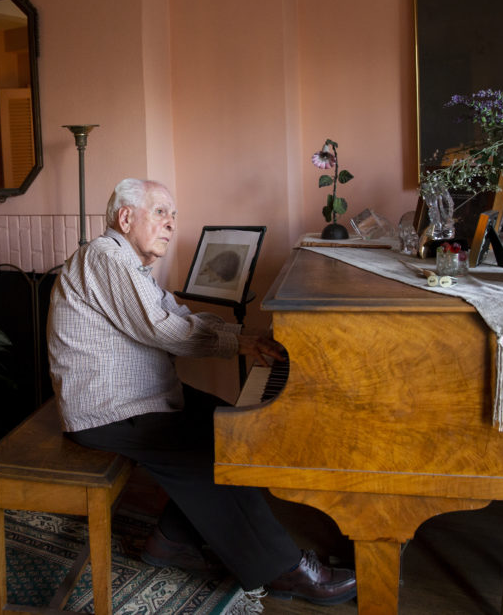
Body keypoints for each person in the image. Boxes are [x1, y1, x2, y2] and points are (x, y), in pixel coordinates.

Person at [47, 177, 357, 605]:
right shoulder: (106, 258)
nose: (171, 223)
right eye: (160, 212)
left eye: (174, 215)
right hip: (105, 411)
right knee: (214, 446)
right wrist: (243, 342)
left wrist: (243, 337)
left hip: (139, 400)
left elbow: (175, 311)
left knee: (233, 425)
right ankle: (283, 570)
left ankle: (168, 541)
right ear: (124, 217)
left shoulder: (128, 264)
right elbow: (167, 331)